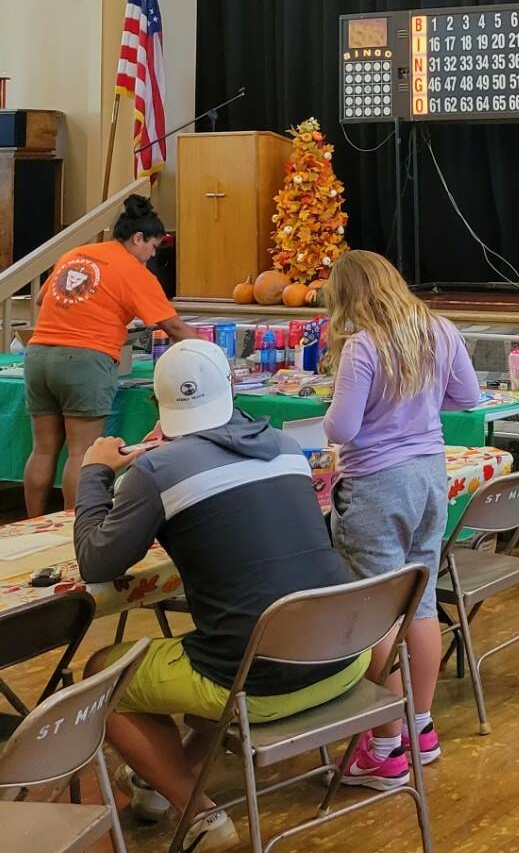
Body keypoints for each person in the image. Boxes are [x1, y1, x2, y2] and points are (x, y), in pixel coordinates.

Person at [76, 340, 368, 851]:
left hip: (259, 683)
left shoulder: (156, 469)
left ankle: (200, 815)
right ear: (231, 390)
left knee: (102, 673)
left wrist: (95, 473)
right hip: (343, 658)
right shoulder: (283, 446)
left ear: (159, 406)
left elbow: (96, 561)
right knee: (224, 646)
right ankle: (154, 785)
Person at [321, 250, 479, 790]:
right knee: (422, 598)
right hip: (431, 477)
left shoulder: (363, 344)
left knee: (379, 613)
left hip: (377, 485)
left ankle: (385, 746)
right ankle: (419, 726)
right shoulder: (438, 329)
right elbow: (469, 398)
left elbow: (340, 429)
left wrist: (329, 408)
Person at [23, 194, 196, 517]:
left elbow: (42, 300)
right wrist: (210, 353)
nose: (153, 255)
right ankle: (73, 530)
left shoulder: (76, 253)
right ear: (138, 238)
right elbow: (173, 327)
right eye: (153, 247)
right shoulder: (134, 271)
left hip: (38, 355)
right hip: (84, 360)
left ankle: (33, 524)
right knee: (82, 454)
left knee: (43, 450)